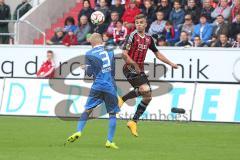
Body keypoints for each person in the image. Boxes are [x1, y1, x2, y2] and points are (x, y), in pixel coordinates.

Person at [119, 14, 178, 137]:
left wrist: (171, 63)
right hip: (130, 68)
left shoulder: (148, 39)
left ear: (146, 24)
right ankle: (123, 99)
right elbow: (124, 54)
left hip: (139, 70)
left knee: (148, 97)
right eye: (137, 22)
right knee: (145, 89)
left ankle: (133, 121)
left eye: (141, 22)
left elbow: (157, 53)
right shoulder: (132, 36)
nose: (139, 24)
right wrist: (134, 65)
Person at [66, 33, 120, 149]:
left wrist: (86, 68)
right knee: (112, 113)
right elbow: (113, 70)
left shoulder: (89, 53)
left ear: (91, 43)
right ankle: (109, 141)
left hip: (97, 85)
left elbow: (89, 73)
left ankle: (79, 131)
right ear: (101, 41)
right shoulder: (110, 51)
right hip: (110, 85)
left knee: (88, 110)